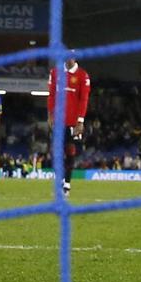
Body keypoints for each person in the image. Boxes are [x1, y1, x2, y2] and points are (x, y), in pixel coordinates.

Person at [47, 53, 91, 198]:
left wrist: (80, 121)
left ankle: (67, 183)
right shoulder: (55, 73)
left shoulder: (83, 76)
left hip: (73, 121)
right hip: (59, 121)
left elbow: (84, 99)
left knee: (71, 151)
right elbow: (51, 95)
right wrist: (50, 115)